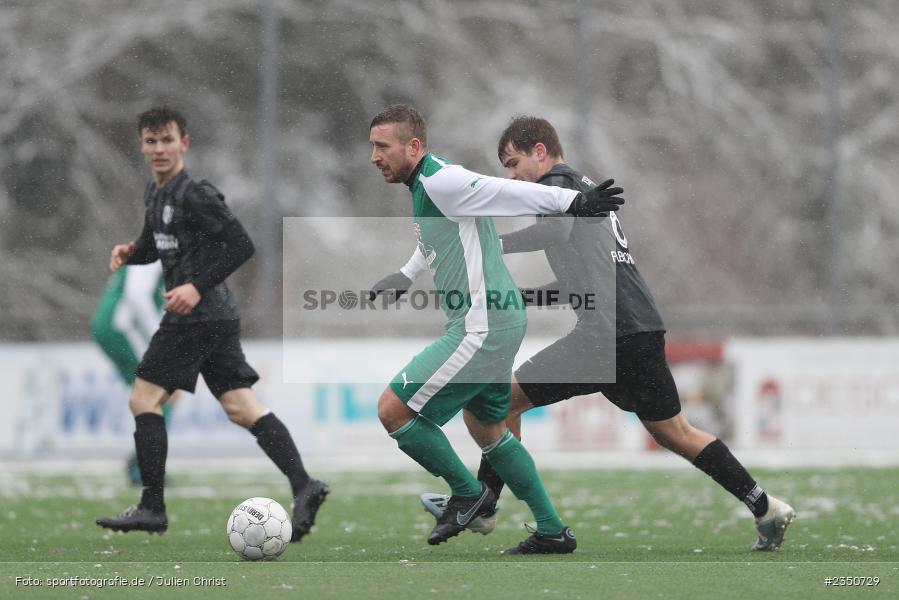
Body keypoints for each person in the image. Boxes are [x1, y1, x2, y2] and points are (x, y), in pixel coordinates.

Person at [415, 116, 795, 552]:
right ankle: (766, 508)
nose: (511, 177)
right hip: (640, 327)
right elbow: (578, 284)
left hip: (606, 334)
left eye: (513, 163)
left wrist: (492, 247)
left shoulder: (558, 186)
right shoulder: (582, 189)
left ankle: (487, 508)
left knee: (501, 401)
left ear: (540, 151)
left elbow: (555, 230)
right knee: (677, 432)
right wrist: (521, 297)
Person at [368, 104, 624, 555]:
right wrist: (406, 275)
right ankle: (551, 530)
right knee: (487, 426)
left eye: (381, 146)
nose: (374, 156)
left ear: (414, 146)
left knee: (394, 409)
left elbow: (507, 192)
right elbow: (437, 235)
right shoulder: (428, 185)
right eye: (372, 147)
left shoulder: (441, 180)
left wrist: (574, 202)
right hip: (496, 321)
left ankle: (469, 496)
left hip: (480, 326)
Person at [96, 106, 328, 542]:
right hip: (215, 318)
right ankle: (305, 485)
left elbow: (241, 245)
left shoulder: (194, 194)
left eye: (167, 140)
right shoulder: (157, 193)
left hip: (196, 315)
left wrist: (196, 287)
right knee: (242, 408)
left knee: (143, 399)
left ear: (184, 144)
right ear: (141, 145)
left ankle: (152, 507)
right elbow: (156, 244)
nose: (159, 148)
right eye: (151, 141)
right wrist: (131, 250)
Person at [91, 261, 181, 486]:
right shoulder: (159, 247)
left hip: (114, 325)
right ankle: (144, 467)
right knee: (160, 393)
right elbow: (137, 295)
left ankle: (142, 461)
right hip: (122, 326)